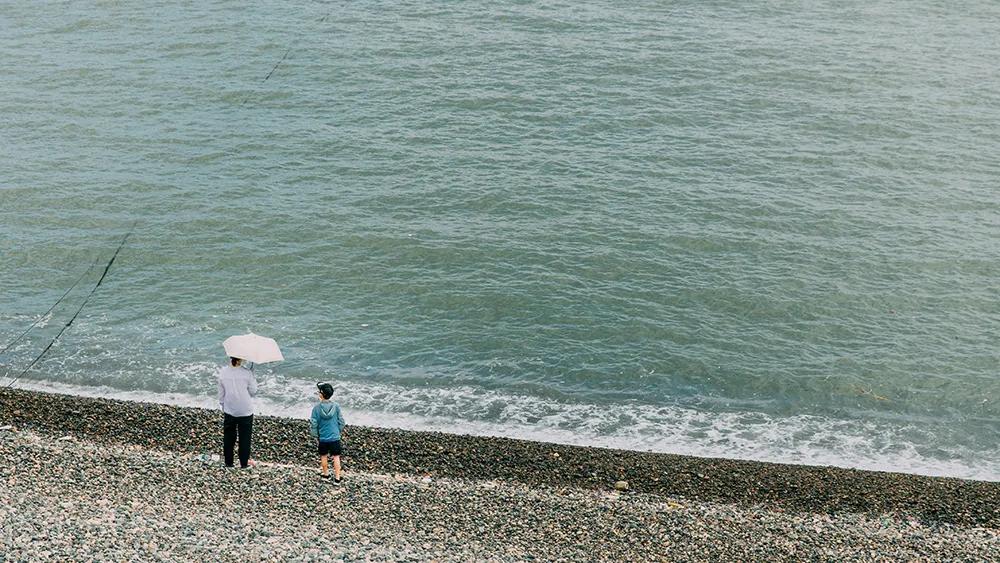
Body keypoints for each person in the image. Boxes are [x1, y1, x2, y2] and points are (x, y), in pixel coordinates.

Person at [217, 356, 257, 468]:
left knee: (228, 437)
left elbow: (221, 394)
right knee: (245, 438)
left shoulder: (223, 372)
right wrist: (252, 377)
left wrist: (223, 406)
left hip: (229, 409)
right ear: (241, 359)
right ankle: (244, 464)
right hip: (245, 410)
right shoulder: (247, 373)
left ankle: (229, 463)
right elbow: (253, 391)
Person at [310, 382, 346, 483]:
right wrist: (338, 431)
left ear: (321, 394)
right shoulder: (336, 406)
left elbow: (314, 423)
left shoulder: (316, 408)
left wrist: (315, 435)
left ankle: (326, 474)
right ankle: (337, 477)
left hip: (323, 437)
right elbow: (342, 422)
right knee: (336, 457)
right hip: (335, 436)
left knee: (323, 456)